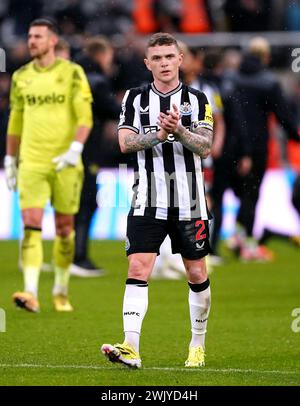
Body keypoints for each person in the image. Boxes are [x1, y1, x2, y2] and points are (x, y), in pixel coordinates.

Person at [101, 32, 213, 368]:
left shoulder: (197, 99)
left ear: (180, 59)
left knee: (196, 273)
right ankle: (130, 346)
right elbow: (124, 142)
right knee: (138, 266)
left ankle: (197, 344)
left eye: (169, 57)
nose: (164, 63)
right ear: (147, 63)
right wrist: (159, 135)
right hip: (147, 196)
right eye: (157, 58)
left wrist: (179, 131)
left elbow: (205, 147)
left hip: (189, 199)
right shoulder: (135, 99)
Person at [4, 18, 93, 312]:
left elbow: (85, 117)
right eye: (30, 36)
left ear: (53, 40)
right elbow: (15, 120)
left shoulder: (72, 73)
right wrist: (10, 158)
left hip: (65, 162)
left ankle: (61, 288)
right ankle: (30, 291)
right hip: (32, 161)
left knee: (65, 228)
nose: (31, 41)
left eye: (38, 36)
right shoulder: (21, 77)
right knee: (31, 225)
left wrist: (75, 149)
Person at [224, 37, 300, 260]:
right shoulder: (268, 82)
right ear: (266, 56)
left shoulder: (231, 79)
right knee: (251, 194)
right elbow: (284, 117)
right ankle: (245, 241)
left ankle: (233, 238)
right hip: (256, 145)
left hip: (228, 144)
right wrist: (296, 137)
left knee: (230, 193)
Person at [71, 36, 121, 276]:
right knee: (87, 202)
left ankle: (67, 255)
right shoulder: (97, 81)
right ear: (101, 55)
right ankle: (78, 257)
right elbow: (113, 110)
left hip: (62, 148)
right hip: (86, 150)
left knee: (69, 204)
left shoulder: (70, 75)